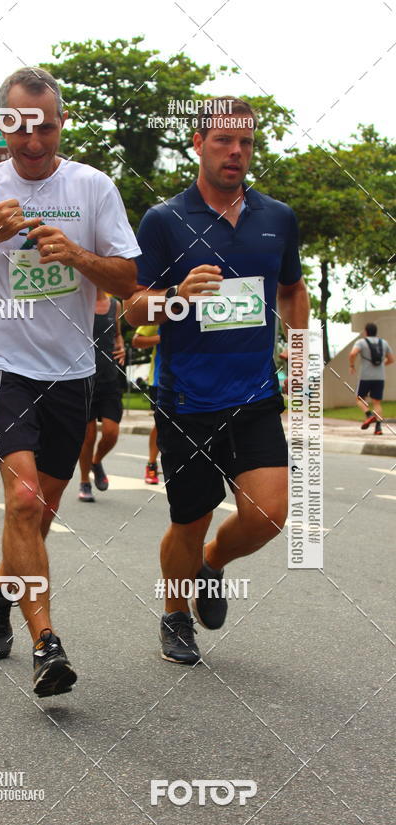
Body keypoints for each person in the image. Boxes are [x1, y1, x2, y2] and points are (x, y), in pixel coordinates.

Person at [0, 66, 139, 697]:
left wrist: (76, 255)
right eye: (20, 128)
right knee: (23, 501)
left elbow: (128, 281)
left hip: (71, 370)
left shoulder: (92, 186)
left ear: (60, 123)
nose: (33, 141)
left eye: (45, 127)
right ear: (4, 124)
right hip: (1, 364)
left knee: (40, 514)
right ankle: (47, 646)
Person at [125, 96, 310, 664]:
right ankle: (175, 613)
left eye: (246, 142)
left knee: (270, 515)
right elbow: (132, 308)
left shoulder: (276, 218)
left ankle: (212, 564)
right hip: (186, 398)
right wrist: (175, 297)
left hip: (254, 394)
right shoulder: (164, 220)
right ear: (198, 144)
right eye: (224, 140)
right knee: (190, 517)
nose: (236, 152)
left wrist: (295, 353)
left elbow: (292, 290)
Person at [77, 290, 125, 501]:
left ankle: (96, 462)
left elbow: (117, 334)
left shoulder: (115, 305)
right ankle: (84, 481)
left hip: (110, 377)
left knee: (111, 432)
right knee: (87, 437)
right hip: (84, 378)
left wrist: (121, 346)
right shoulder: (79, 302)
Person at [349, 322, 394, 436]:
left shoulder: (361, 342)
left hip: (365, 376)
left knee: (359, 399)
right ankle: (378, 429)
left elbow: (352, 354)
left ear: (365, 331)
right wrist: (383, 364)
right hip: (380, 377)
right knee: (377, 403)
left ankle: (369, 415)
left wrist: (352, 366)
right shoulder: (383, 343)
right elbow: (391, 359)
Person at [132, 324, 161, 484]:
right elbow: (137, 341)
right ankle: (151, 464)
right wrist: (165, 338)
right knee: (161, 423)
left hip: (198, 379)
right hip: (162, 380)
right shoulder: (167, 307)